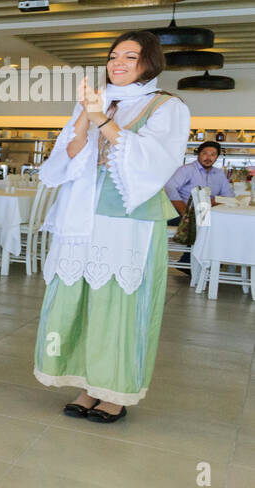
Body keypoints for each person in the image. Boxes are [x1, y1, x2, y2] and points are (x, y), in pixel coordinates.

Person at [33, 30, 189, 422]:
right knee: (83, 299)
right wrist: (86, 119)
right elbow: (67, 156)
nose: (117, 63)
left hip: (130, 219)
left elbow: (152, 161)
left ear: (149, 63)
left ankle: (115, 392)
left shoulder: (167, 107)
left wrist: (102, 117)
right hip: (83, 215)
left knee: (119, 303)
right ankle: (89, 385)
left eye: (129, 57)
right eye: (113, 56)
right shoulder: (96, 101)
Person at [165, 140, 232, 214]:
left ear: (217, 157)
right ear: (198, 154)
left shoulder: (219, 174)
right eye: (204, 154)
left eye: (213, 155)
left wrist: (217, 200)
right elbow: (169, 187)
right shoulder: (187, 170)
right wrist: (184, 210)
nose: (208, 158)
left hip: (211, 214)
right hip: (186, 215)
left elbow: (229, 194)